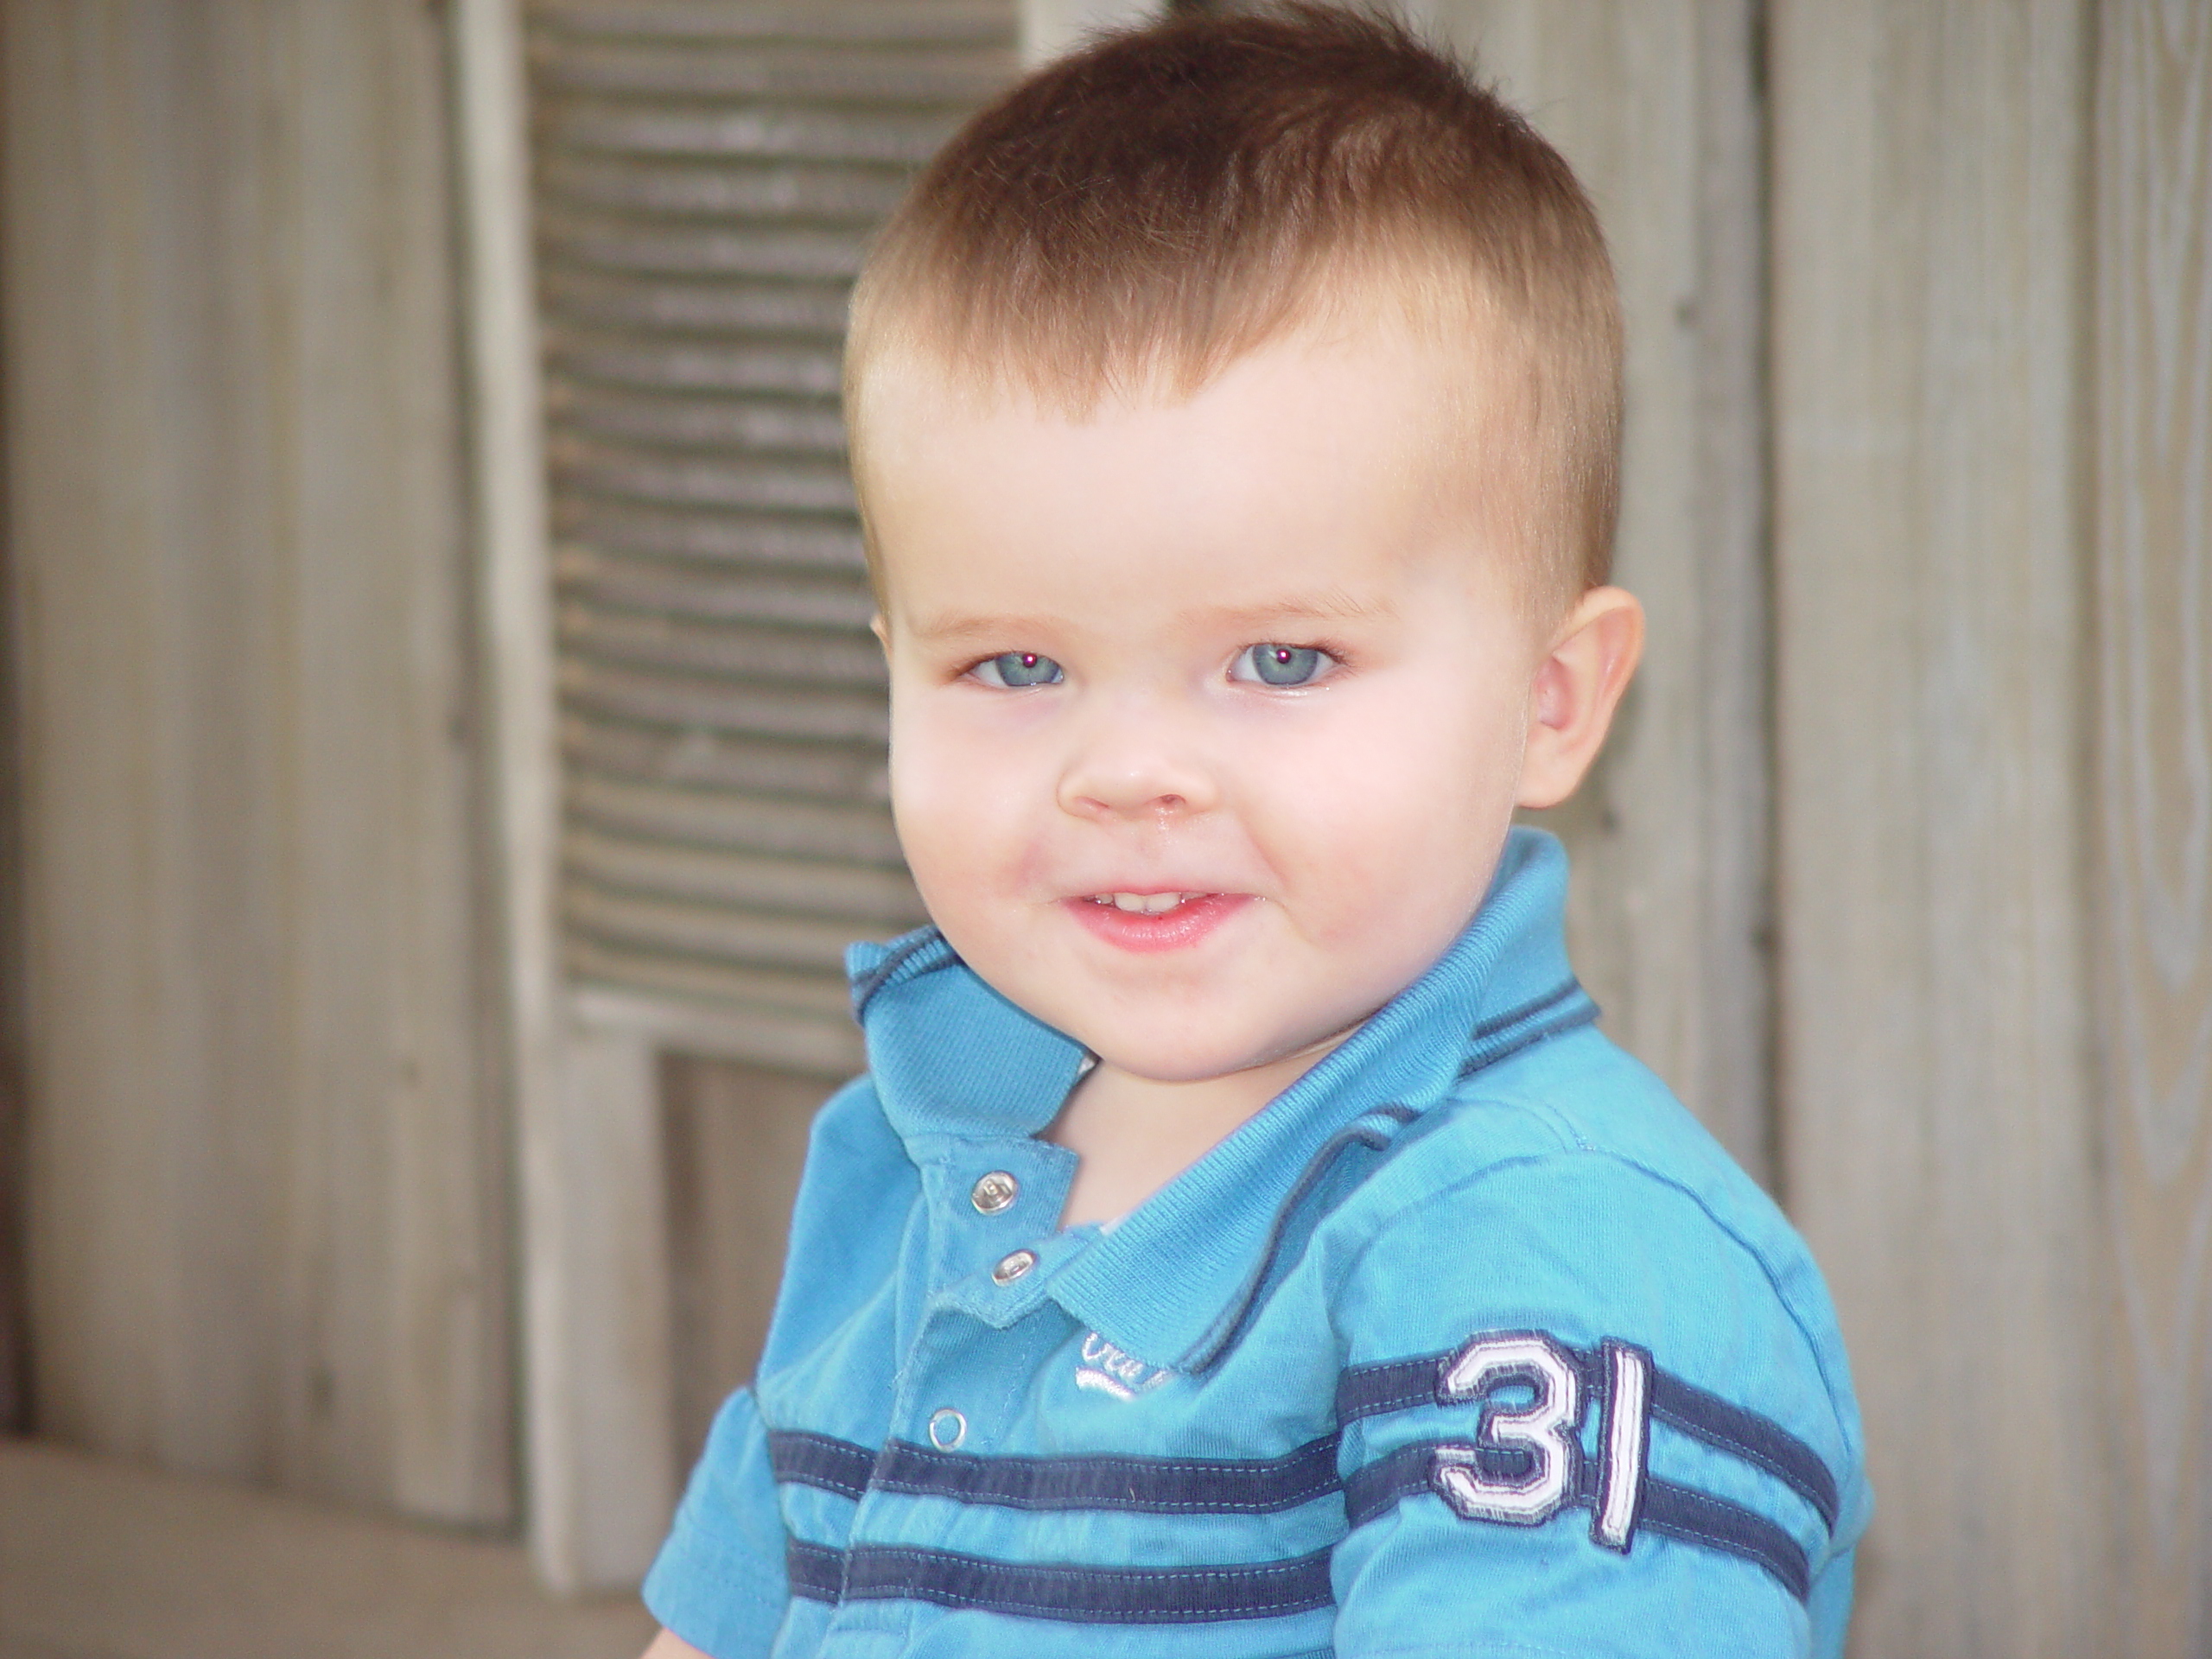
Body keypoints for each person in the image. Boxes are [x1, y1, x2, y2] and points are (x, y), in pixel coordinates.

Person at [639, 6, 1868, 1656]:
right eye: (1015, 663)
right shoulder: (909, 1157)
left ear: (1553, 701)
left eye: (1281, 659)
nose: (1130, 771)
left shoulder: (1561, 1270)